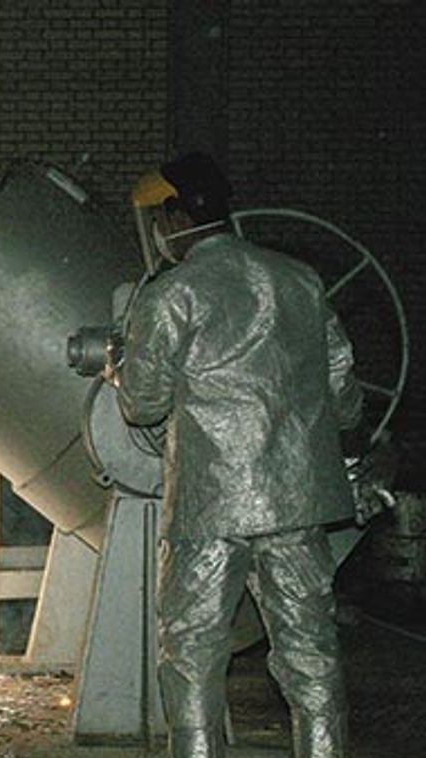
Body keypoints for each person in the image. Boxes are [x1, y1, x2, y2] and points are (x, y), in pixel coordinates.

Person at [113, 152, 363, 758]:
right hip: (297, 505)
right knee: (312, 658)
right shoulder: (299, 280)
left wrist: (115, 369)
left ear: (173, 219)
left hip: (209, 510)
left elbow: (143, 405)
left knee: (193, 654)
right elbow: (346, 397)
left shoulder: (171, 295)